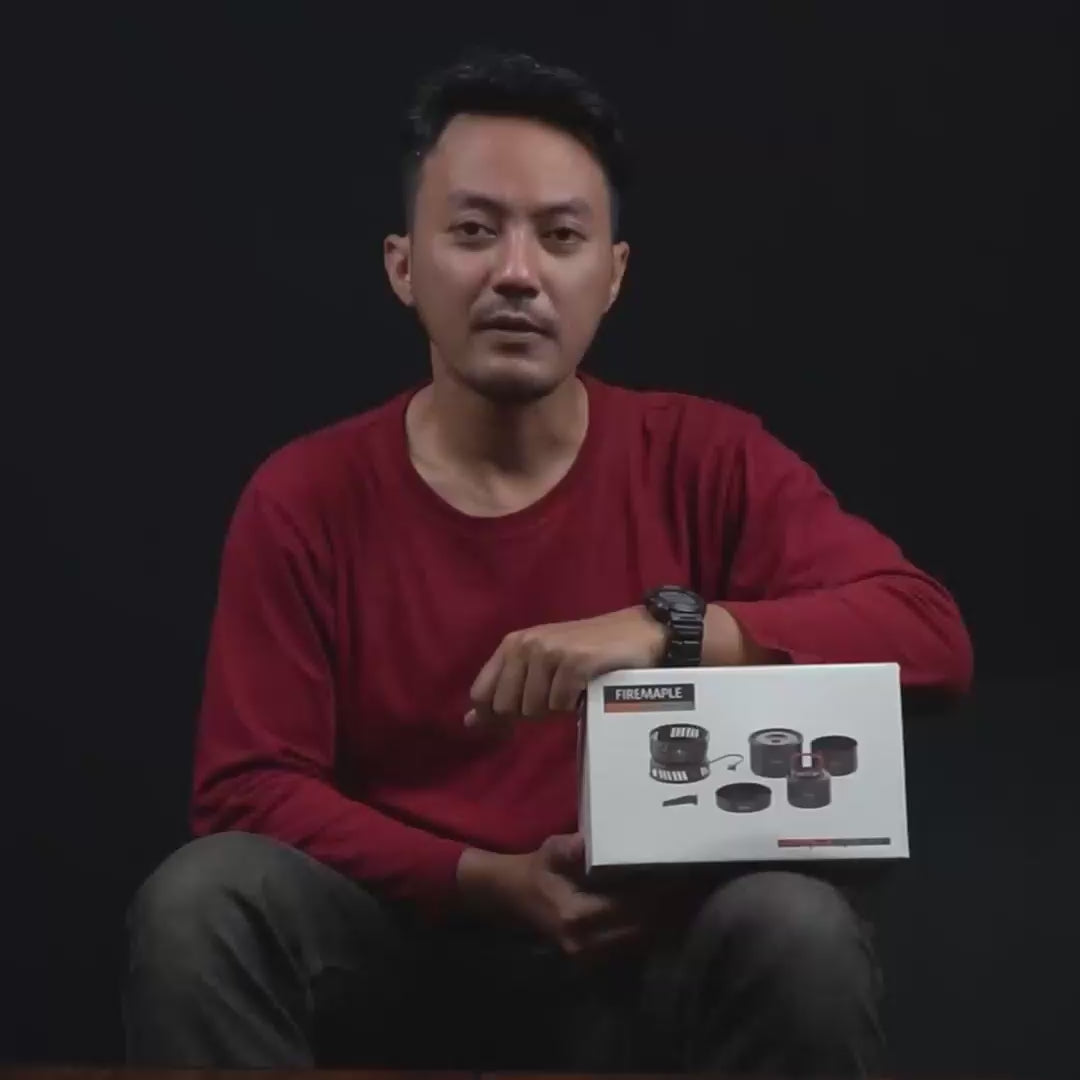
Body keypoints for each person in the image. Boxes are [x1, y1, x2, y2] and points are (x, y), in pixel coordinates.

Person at [123, 50, 973, 1076]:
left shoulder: (707, 458)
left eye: (560, 236)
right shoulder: (304, 497)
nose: (517, 273)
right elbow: (246, 791)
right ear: (403, 265)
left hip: (646, 956)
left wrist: (672, 631)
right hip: (396, 946)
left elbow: (929, 635)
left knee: (799, 928)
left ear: (611, 274)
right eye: (474, 231)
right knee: (201, 901)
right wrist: (483, 876)